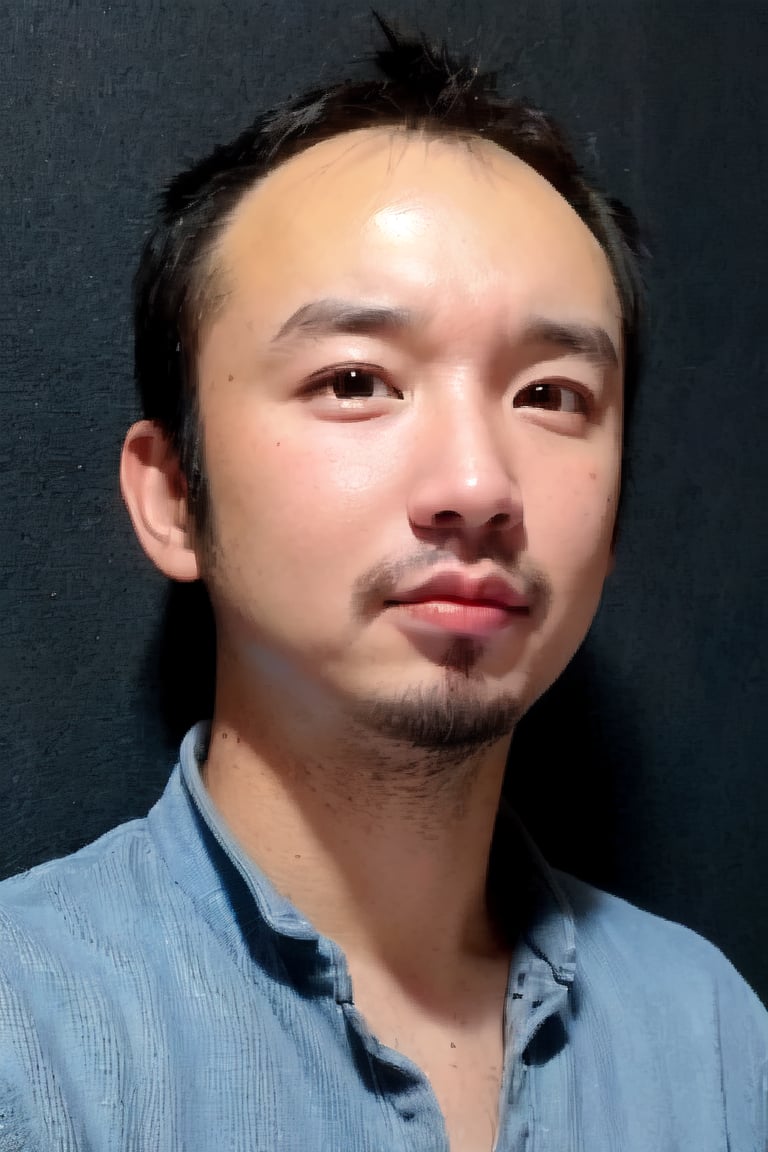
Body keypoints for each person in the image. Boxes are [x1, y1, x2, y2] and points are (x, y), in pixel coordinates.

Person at [1, 20, 766, 1152]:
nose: (477, 483)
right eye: (355, 379)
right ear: (173, 497)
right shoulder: (29, 1039)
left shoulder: (714, 1039)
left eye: (552, 395)